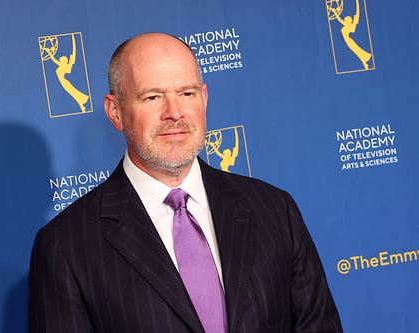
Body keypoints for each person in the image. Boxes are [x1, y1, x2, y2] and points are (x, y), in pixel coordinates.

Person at [29, 32, 343, 332]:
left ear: (204, 98)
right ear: (116, 112)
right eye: (152, 97)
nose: (175, 113)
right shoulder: (66, 246)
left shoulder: (275, 211)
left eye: (187, 93)